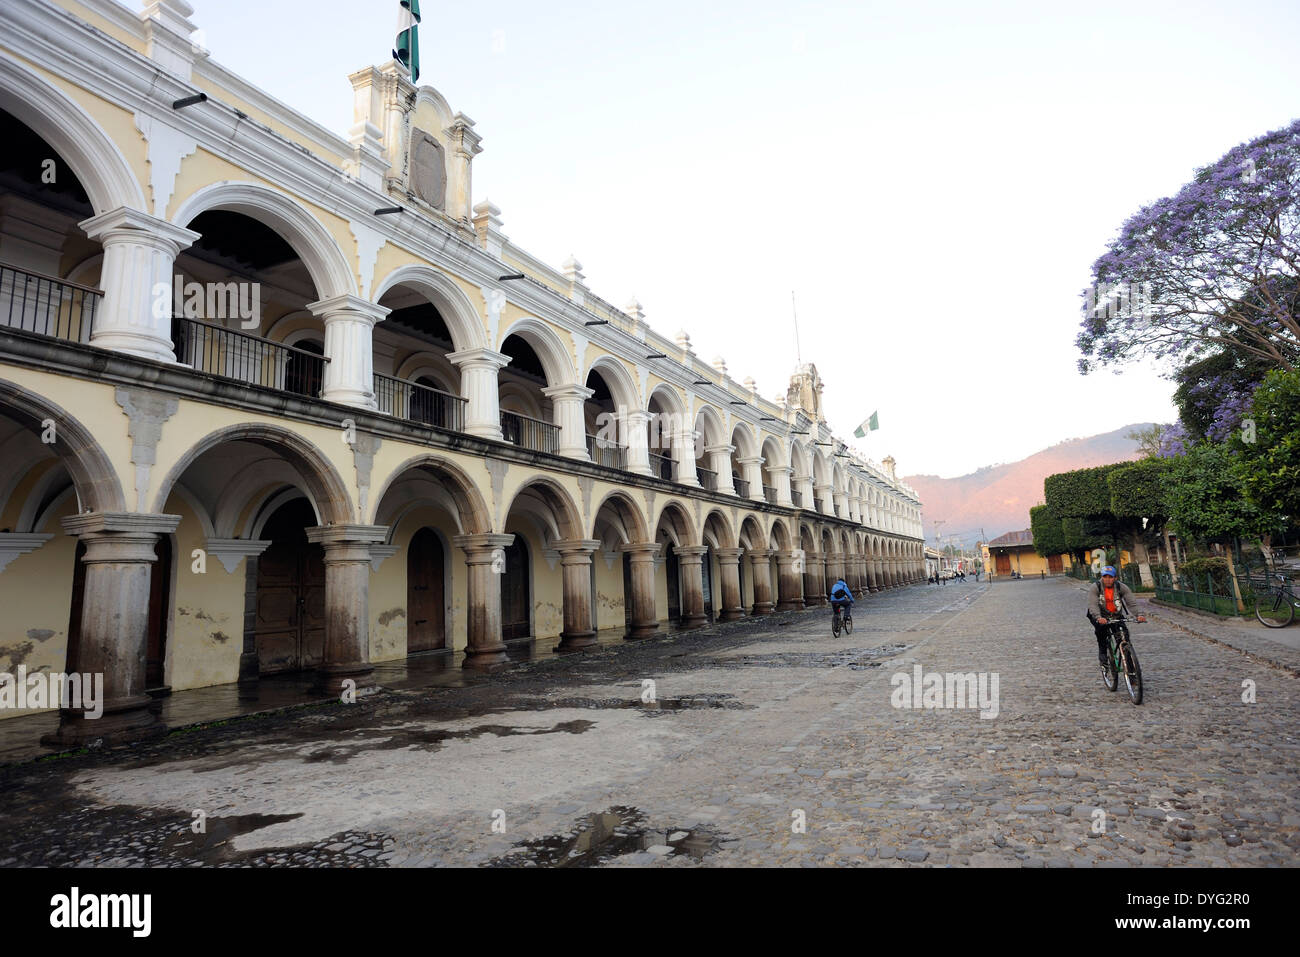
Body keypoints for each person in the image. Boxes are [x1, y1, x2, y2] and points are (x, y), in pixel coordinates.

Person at [1087, 565, 1146, 666]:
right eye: (1105, 577)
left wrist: (1139, 615)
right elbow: (1093, 604)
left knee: (1124, 637)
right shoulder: (1095, 587)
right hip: (1099, 615)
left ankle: (1130, 667)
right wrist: (1099, 617)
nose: (1108, 580)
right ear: (1102, 577)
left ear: (1115, 578)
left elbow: (1131, 602)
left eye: (1110, 577)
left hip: (1115, 615)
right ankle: (1103, 654)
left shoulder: (1121, 587)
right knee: (1101, 633)